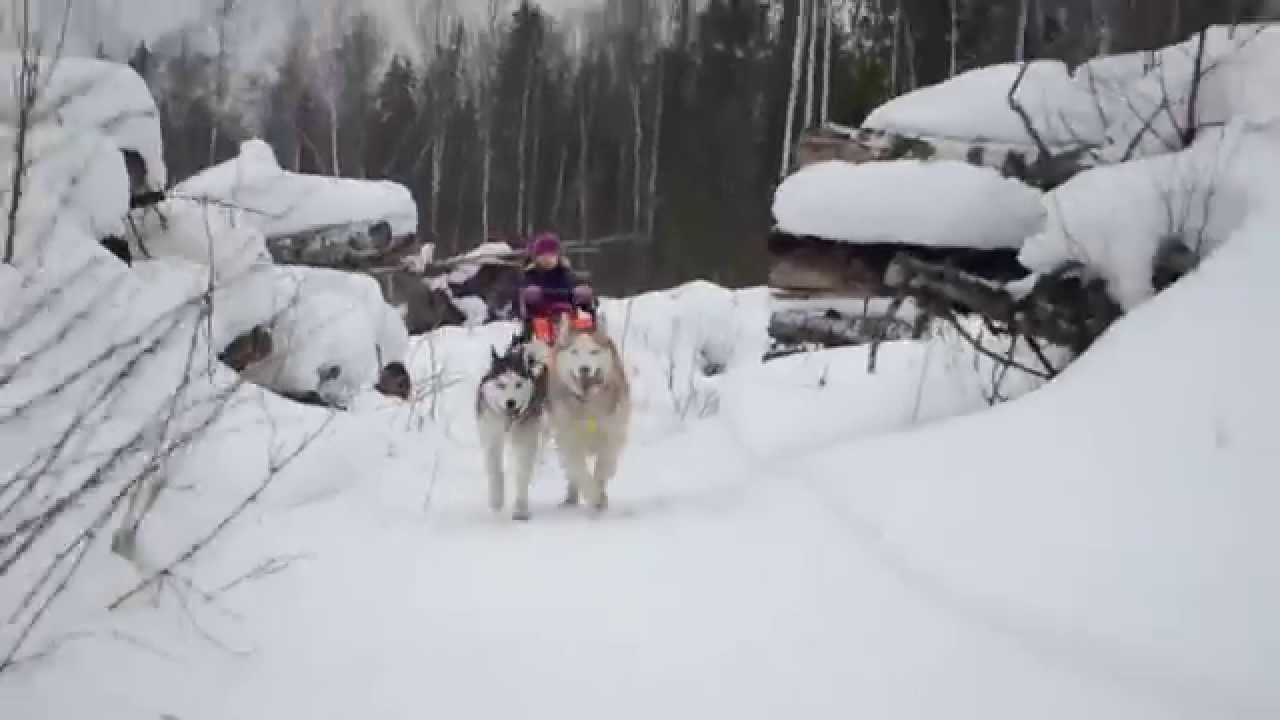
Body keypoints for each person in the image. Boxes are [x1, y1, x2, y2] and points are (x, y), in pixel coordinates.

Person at [519, 232, 594, 343]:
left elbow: (576, 285)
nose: (547, 259)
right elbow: (526, 290)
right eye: (542, 256)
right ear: (535, 258)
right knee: (538, 327)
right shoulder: (532, 274)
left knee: (584, 321)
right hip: (541, 316)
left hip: (569, 316)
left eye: (551, 255)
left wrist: (581, 293)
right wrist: (532, 294)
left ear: (558, 257)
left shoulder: (567, 274)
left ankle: (589, 343)